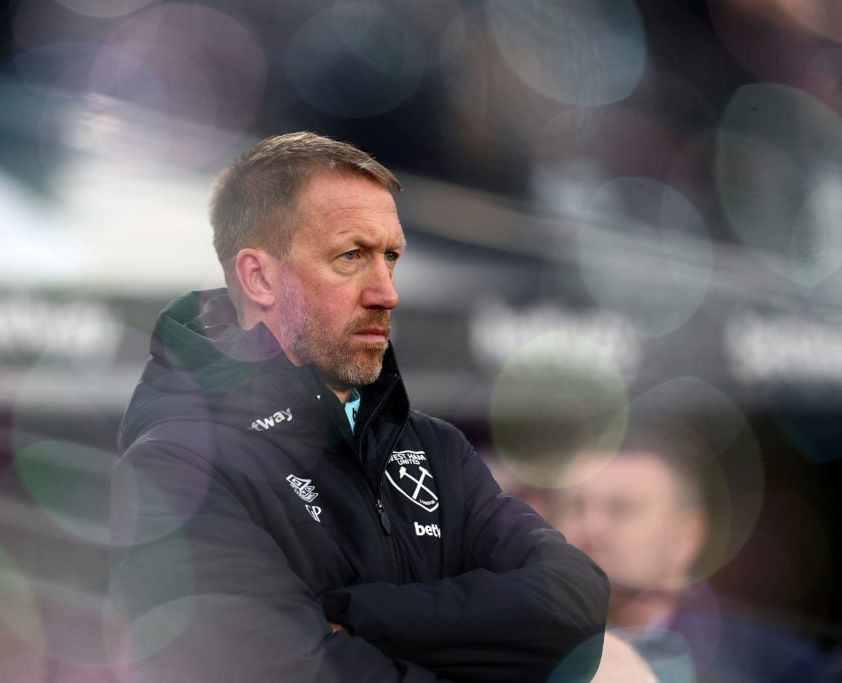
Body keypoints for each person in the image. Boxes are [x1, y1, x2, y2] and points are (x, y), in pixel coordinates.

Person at [108, 131, 609, 682]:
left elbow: (576, 604)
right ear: (258, 277)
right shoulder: (177, 465)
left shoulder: (436, 448)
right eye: (352, 256)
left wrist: (361, 614)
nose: (386, 291)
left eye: (390, 257)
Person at [549, 426, 826, 682]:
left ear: (687, 536)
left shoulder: (774, 665)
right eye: (574, 507)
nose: (591, 527)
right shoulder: (521, 652)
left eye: (621, 508)